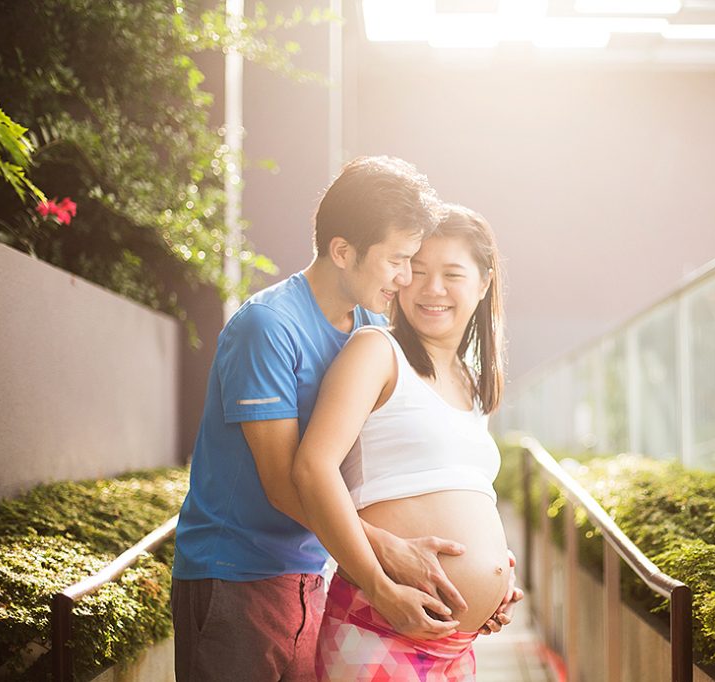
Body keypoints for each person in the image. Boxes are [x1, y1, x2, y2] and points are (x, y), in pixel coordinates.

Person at [170, 157, 512, 682]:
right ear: (343, 252)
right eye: (401, 261)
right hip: (236, 574)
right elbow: (289, 482)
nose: (407, 280)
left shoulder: (370, 324)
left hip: (312, 570)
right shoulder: (268, 326)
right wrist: (387, 557)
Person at [292, 204, 517, 680]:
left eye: (452, 274)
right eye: (417, 271)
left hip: (457, 646)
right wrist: (381, 587)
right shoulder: (376, 351)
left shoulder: (475, 385)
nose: (432, 288)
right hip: (382, 627)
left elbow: (458, 491)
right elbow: (312, 468)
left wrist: (499, 574)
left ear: (483, 283)